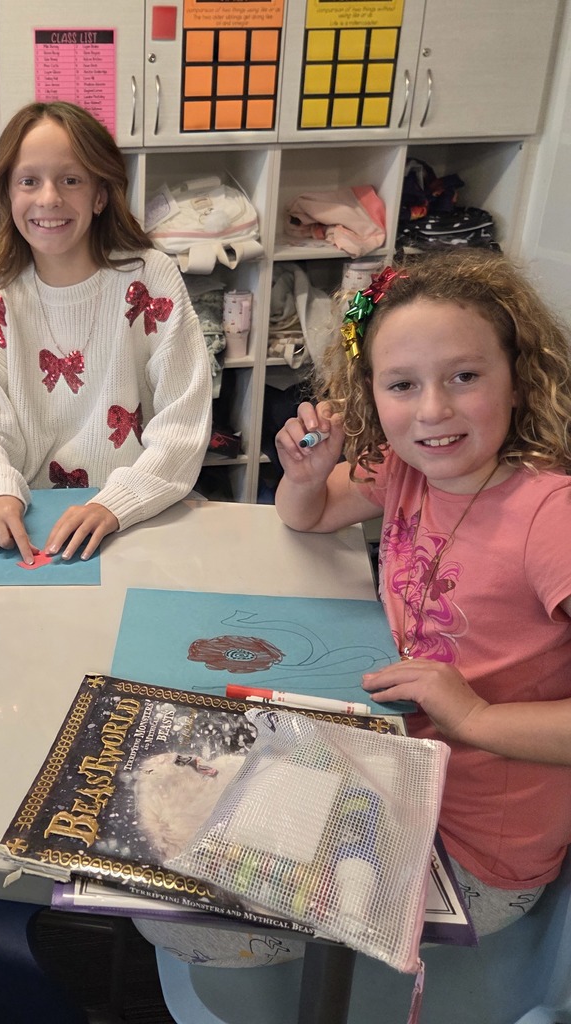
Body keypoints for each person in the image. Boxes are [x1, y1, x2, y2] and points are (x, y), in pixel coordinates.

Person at [136, 249, 571, 967]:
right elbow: (307, 516)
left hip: (469, 854)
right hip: (390, 778)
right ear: (372, 395)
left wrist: (479, 718)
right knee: (167, 822)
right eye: (403, 385)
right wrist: (305, 475)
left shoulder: (547, 517)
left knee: (179, 924)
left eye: (465, 376)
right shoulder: (408, 467)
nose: (434, 410)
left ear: (519, 380)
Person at [0, 101, 212, 562]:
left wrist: (116, 504)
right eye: (29, 181)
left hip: (130, 513)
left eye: (70, 180)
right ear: (8, 195)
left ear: (100, 194)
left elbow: (182, 425)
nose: (49, 198)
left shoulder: (150, 279)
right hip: (31, 517)